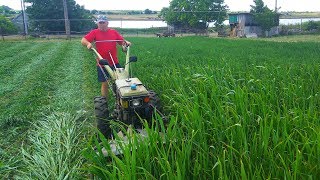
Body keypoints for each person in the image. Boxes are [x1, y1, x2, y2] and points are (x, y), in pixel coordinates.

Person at [81, 15, 131, 100]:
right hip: (102, 63)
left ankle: (122, 99)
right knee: (105, 83)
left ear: (107, 23)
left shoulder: (113, 32)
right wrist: (88, 44)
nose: (101, 24)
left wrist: (126, 43)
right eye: (99, 23)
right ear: (97, 23)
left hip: (114, 62)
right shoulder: (94, 32)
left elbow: (121, 42)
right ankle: (104, 101)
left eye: (103, 22)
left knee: (121, 80)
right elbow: (83, 40)